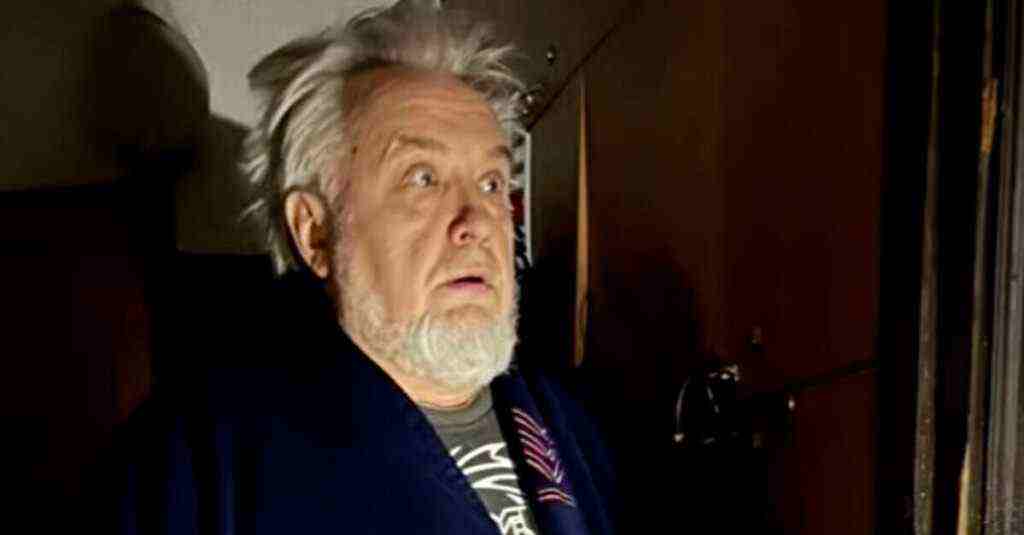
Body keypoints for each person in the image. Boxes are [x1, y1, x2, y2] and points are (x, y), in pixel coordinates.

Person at [116, 1, 616, 534]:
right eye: (423, 179)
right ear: (315, 231)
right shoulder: (203, 463)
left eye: (491, 183)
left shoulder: (572, 426)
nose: (476, 222)